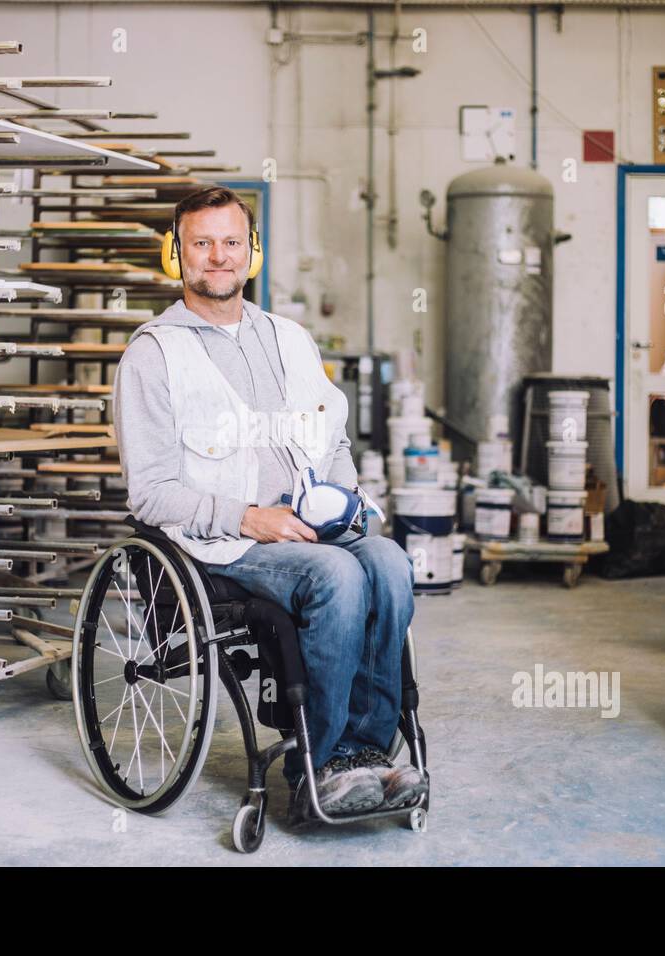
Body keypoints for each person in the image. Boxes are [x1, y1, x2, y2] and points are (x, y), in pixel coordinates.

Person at [114, 185, 423, 824]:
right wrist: (250, 517)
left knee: (388, 562)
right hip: (224, 543)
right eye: (201, 244)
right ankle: (319, 764)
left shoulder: (290, 338)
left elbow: (330, 436)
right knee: (337, 576)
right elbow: (149, 491)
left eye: (231, 242)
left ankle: (365, 751)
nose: (218, 257)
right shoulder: (154, 354)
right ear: (177, 255)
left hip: (310, 526)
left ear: (253, 252)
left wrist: (346, 503)